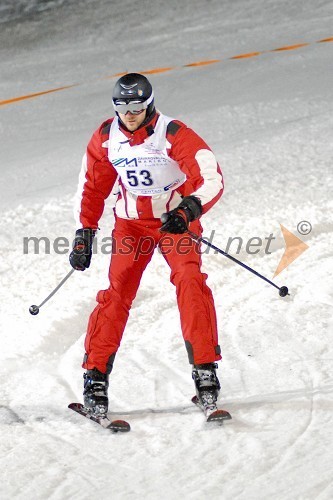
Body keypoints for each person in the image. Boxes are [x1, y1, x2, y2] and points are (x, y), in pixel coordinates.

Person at [69, 73, 224, 417]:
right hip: (131, 226)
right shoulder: (107, 137)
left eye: (137, 107)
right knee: (117, 293)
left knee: (190, 282)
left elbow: (210, 176)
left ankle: (205, 372)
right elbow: (93, 185)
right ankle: (95, 378)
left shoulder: (172, 133)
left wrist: (189, 208)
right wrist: (85, 231)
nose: (130, 115)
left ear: (149, 104)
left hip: (174, 222)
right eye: (123, 108)